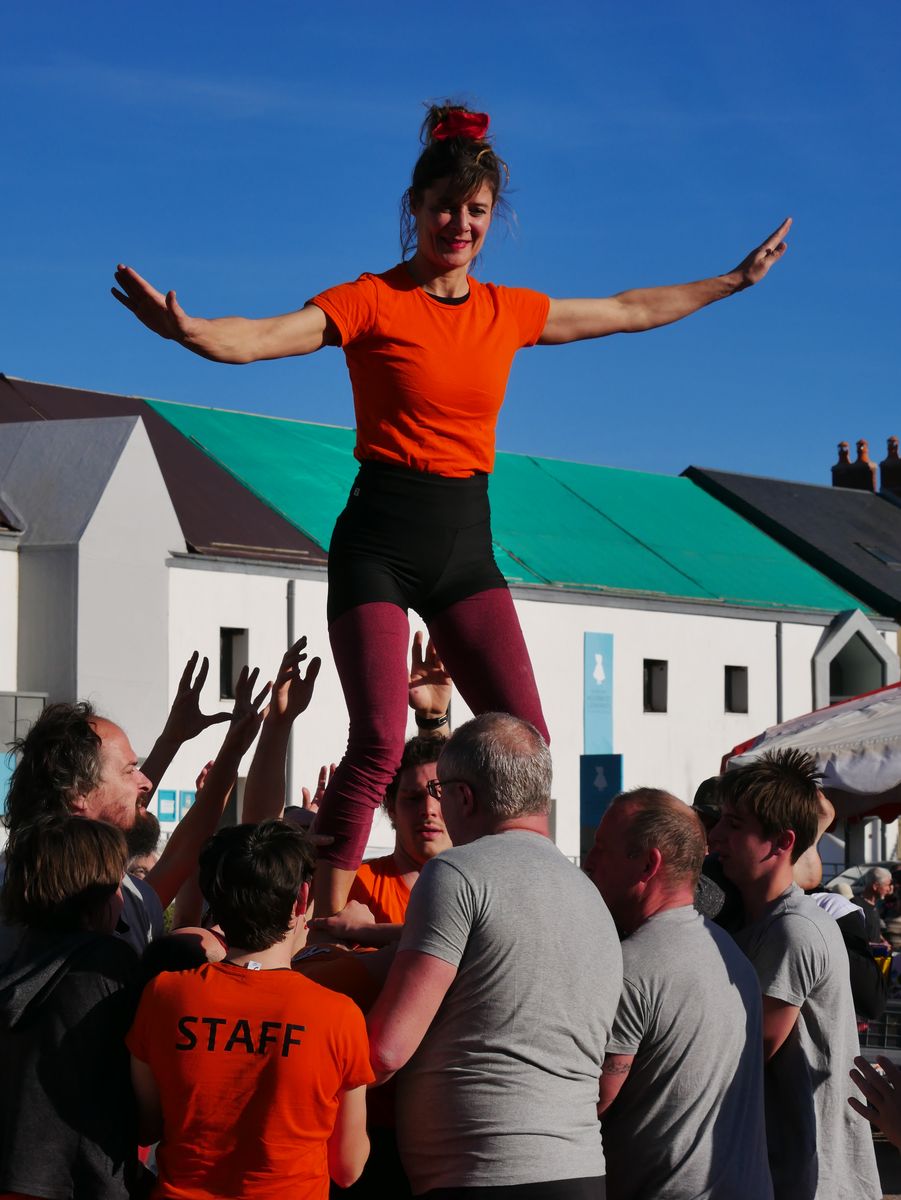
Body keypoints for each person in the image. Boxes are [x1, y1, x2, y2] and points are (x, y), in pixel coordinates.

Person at [112, 102, 792, 914]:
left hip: (464, 542)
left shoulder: (506, 311)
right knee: (375, 741)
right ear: (415, 208)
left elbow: (626, 309)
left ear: (490, 216)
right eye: (443, 208)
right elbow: (262, 336)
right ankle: (327, 917)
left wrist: (730, 281)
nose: (459, 225)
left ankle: (521, 901)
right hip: (377, 542)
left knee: (527, 743)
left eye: (475, 211)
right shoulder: (372, 300)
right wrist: (189, 332)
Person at [367, 713, 622, 1197]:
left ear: (463, 797)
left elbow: (385, 1050)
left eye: (439, 792)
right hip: (581, 1169)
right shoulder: (589, 894)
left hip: (484, 1174)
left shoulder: (458, 872)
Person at [128, 820, 372, 1199]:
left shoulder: (164, 994)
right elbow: (348, 1167)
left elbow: (146, 1127)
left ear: (214, 899)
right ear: (301, 898)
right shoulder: (339, 1016)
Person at [1, 660, 270, 957]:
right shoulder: (13, 902)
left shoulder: (131, 895)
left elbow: (179, 850)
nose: (146, 782)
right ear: (78, 793)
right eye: (130, 770)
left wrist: (188, 741)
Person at [709, 749, 881, 1200]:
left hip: (812, 1180)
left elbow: (745, 1057)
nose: (716, 835)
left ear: (782, 842)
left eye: (734, 824)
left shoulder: (793, 930)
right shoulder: (759, 923)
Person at [585, 789, 772, 1200]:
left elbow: (593, 1101)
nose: (589, 862)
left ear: (648, 864)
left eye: (601, 849)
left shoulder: (632, 967)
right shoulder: (731, 956)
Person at [0, 815, 141, 1200]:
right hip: (83, 1183)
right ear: (96, 892)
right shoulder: (107, 963)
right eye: (118, 884)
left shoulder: (17, 958)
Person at [852, 866, 893, 948]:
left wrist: (883, 941)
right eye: (887, 885)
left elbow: (874, 931)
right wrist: (877, 945)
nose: (889, 889)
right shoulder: (856, 905)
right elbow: (854, 937)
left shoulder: (874, 904)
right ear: (875, 886)